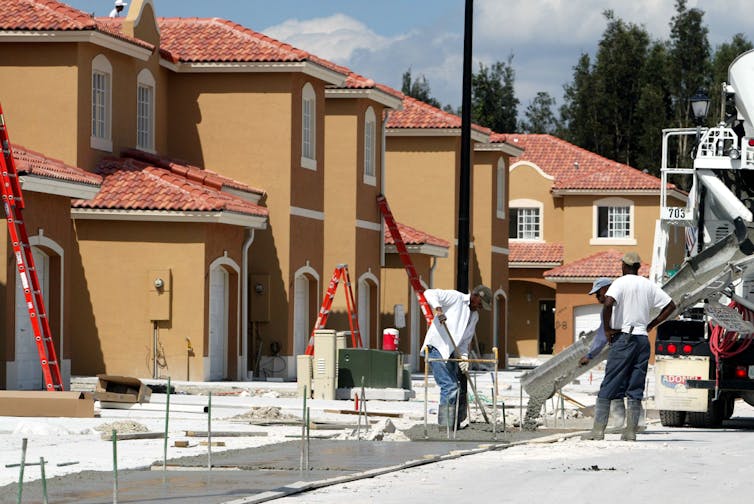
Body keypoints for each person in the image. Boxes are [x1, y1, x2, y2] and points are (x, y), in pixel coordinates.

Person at [583, 252, 676, 442]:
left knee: (610, 381)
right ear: (638, 267)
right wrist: (652, 324)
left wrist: (608, 329)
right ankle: (630, 432)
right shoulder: (648, 284)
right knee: (635, 384)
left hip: (624, 337)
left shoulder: (620, 283)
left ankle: (598, 431)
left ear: (624, 266)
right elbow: (670, 305)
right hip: (642, 339)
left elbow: (608, 303)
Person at [422, 285, 492, 428]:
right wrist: (439, 309)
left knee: (459, 387)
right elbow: (428, 293)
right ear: (475, 296)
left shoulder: (474, 317)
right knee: (449, 386)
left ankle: (454, 424)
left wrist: (464, 358)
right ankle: (445, 427)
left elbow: (464, 341)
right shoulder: (456, 298)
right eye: (480, 303)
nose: (479, 307)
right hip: (437, 348)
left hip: (452, 353)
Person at [579, 277, 626, 435]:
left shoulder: (609, 308)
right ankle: (633, 424)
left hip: (620, 347)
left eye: (597, 294)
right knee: (628, 385)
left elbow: (601, 336)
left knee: (608, 385)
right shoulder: (624, 303)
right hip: (636, 344)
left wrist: (590, 355)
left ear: (605, 290)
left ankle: (598, 430)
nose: (596, 297)